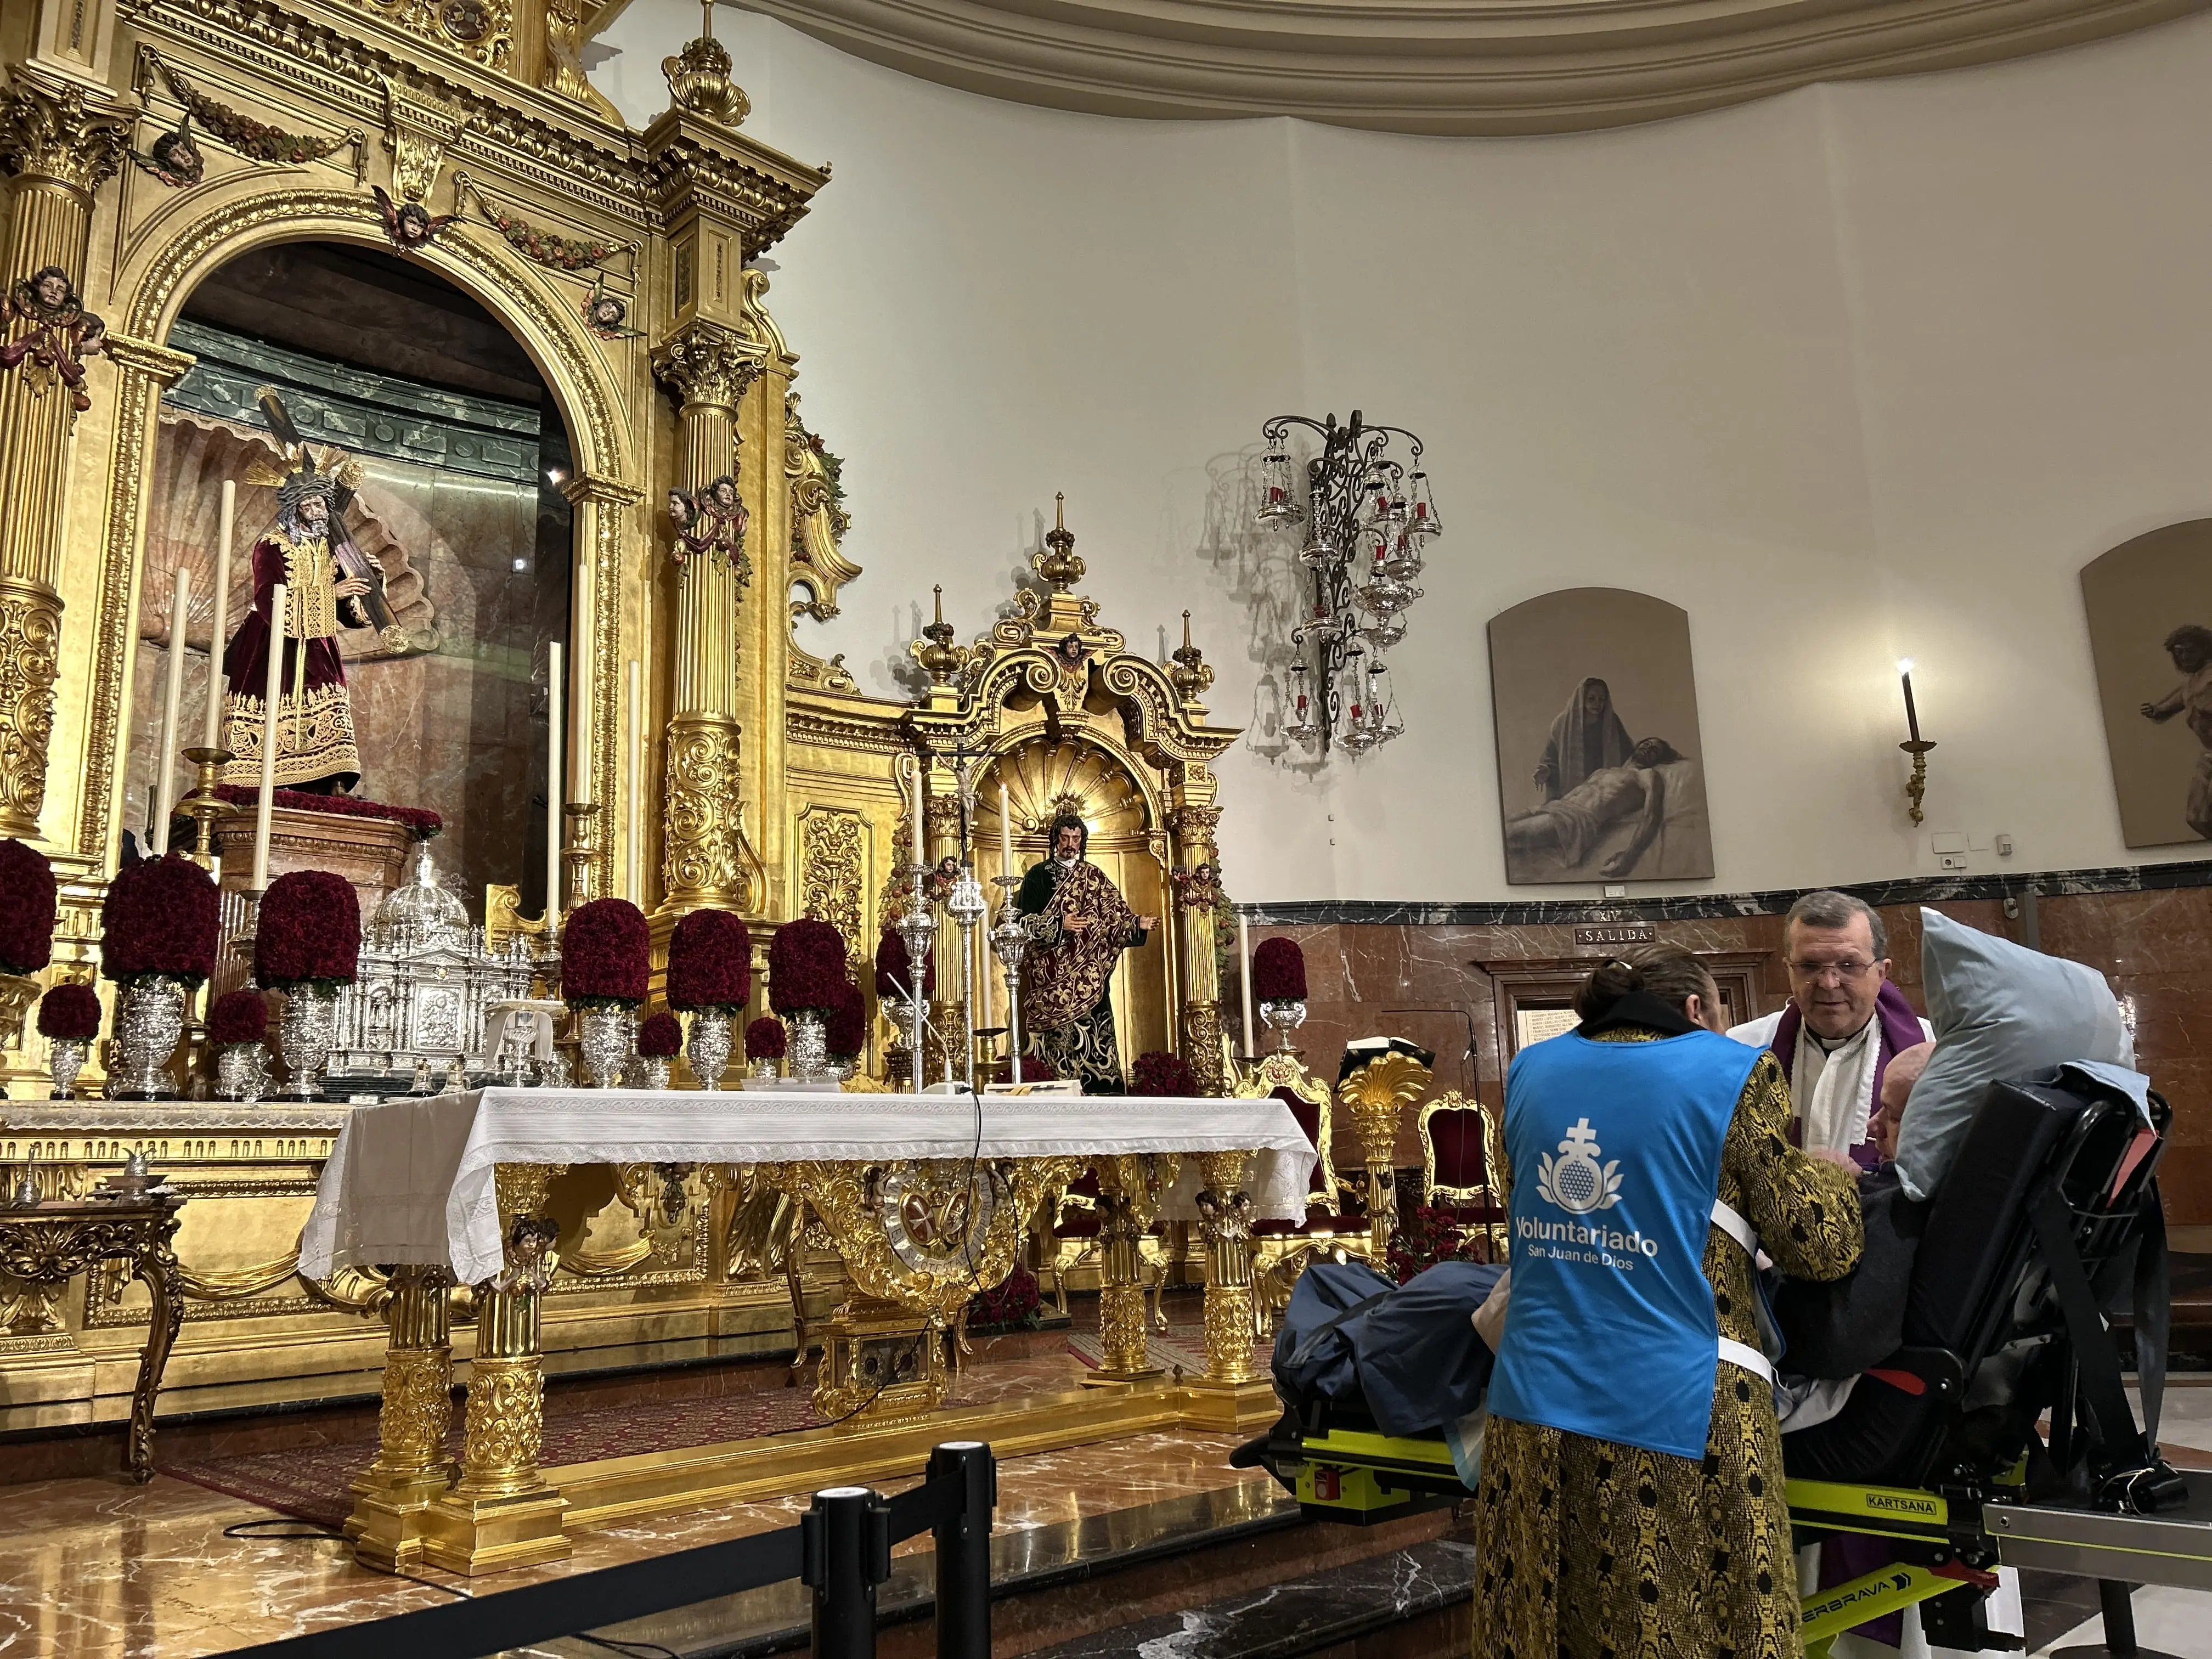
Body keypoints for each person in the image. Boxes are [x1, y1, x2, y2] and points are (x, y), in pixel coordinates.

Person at [1475, 945, 1863, 1656]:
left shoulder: (1532, 1069)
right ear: (1695, 1011)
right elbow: (1817, 1244)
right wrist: (1835, 1179)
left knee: (1543, 1622)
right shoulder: (1732, 1073)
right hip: (1679, 1408)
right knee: (1687, 1625)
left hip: (1534, 1402)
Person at [1729, 890, 1932, 1170]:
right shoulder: (1741, 1049)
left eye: (1848, 965)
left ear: (1881, 973)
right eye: (1809, 966)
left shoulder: (1933, 1050)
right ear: (1789, 970)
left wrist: (1870, 1183)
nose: (1828, 983)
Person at [221, 459, 369, 794]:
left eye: (321, 503)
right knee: (271, 706)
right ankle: (267, 782)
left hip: (319, 645)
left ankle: (328, 782)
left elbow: (350, 612)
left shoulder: (329, 548)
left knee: (332, 705)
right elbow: (267, 600)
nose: (318, 511)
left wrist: (367, 578)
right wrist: (329, 594)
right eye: (310, 504)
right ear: (294, 508)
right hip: (272, 644)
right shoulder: (271, 546)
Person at [1016, 814, 1156, 1093]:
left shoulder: (1094, 876)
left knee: (1095, 1032)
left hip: (1090, 977)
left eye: (1076, 839)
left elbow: (1115, 915)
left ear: (1083, 841)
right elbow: (1021, 922)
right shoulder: (1038, 876)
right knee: (1056, 1044)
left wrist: (1136, 923)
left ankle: (1101, 1087)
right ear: (1056, 840)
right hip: (1052, 976)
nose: (1071, 845)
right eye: (1065, 838)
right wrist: (1059, 924)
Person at [1506, 736, 1679, 879]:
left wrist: (1629, 856)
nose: (1648, 749)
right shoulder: (1603, 771)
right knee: (1499, 829)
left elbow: (1652, 816)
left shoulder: (1647, 776)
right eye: (1647, 744)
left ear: (1658, 760)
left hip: (1576, 819)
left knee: (1507, 836)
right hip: (1555, 808)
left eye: (1654, 750)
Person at [2140, 623, 2212, 838]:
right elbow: (2176, 701)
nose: (2184, 657)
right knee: (2196, 817)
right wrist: (2157, 710)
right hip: (2209, 755)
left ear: (2205, 649)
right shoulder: (2192, 682)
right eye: (2179, 652)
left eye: (2190, 651)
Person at [1533, 676, 1634, 805]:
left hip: (1602, 791)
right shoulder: (1563, 724)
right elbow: (1552, 758)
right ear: (1582, 699)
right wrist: (1545, 771)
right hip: (1572, 791)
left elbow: (1627, 752)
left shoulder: (1611, 723)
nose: (1597, 704)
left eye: (1601, 699)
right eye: (1591, 699)